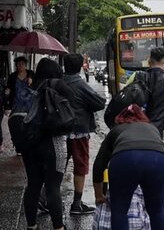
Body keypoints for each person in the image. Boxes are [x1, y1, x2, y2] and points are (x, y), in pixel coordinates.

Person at [93, 104, 164, 230]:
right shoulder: (152, 128)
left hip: (125, 158)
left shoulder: (116, 130)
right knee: (157, 210)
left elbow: (99, 164)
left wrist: (98, 195)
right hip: (159, 160)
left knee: (119, 210)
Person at [22, 58, 75, 230]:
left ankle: (31, 225)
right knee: (53, 187)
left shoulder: (31, 87)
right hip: (54, 142)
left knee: (33, 185)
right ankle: (58, 227)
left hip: (30, 142)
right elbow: (72, 101)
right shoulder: (58, 85)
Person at [63, 53, 106, 215]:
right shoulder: (79, 83)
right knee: (81, 166)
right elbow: (99, 102)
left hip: (60, 131)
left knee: (60, 165)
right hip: (79, 130)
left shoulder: (59, 81)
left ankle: (47, 198)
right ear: (80, 66)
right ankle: (76, 203)